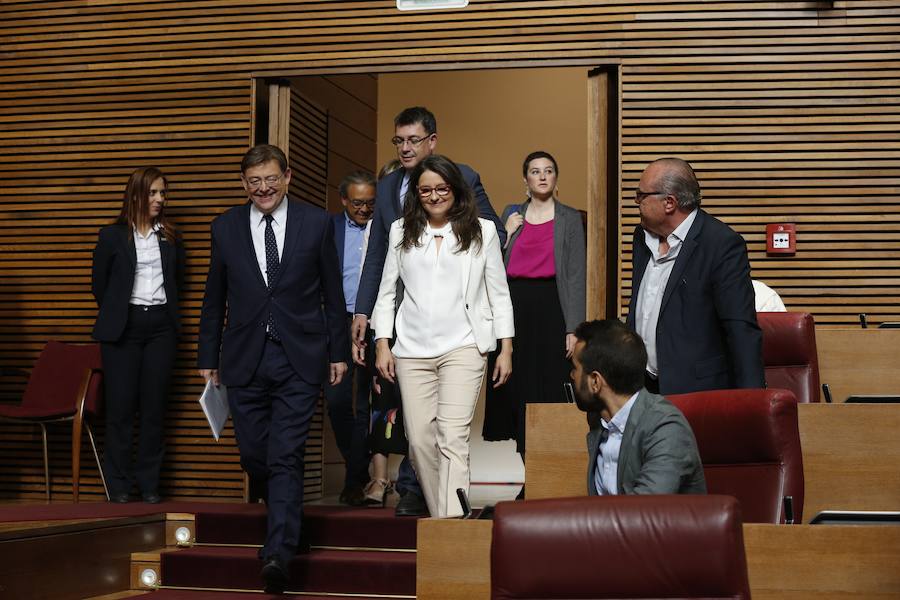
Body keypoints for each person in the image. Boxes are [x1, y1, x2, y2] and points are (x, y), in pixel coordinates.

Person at [197, 144, 348, 594]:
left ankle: (279, 552)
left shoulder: (316, 223)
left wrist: (337, 352)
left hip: (299, 355)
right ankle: (290, 522)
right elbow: (214, 297)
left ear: (287, 176)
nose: (263, 188)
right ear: (244, 184)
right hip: (243, 357)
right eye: (253, 181)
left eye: (270, 178)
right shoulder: (224, 227)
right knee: (254, 454)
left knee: (285, 453)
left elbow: (333, 294)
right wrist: (208, 358)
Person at [351, 106, 505, 517]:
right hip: (408, 332)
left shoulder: (466, 183)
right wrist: (369, 320)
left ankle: (447, 523)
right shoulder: (388, 192)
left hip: (461, 332)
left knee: (452, 435)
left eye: (413, 140)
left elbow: (492, 245)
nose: (405, 148)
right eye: (398, 141)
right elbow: (380, 263)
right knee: (417, 437)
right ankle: (440, 510)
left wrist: (503, 342)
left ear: (432, 141)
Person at [482, 151, 586, 495]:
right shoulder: (512, 216)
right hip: (513, 313)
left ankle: (550, 478)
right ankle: (532, 477)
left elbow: (575, 276)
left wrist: (574, 327)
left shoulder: (570, 218)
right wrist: (506, 234)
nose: (542, 177)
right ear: (525, 180)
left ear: (556, 178)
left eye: (549, 171)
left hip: (553, 310)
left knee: (552, 393)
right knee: (519, 394)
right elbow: (490, 267)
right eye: (535, 172)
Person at [628, 157, 764, 395]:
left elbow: (740, 328)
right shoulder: (641, 237)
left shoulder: (721, 244)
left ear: (669, 202)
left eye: (641, 195)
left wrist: (752, 401)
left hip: (696, 390)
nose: (636, 201)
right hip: (642, 388)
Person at [91, 167, 184, 505]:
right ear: (136, 195)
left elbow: (178, 283)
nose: (160, 199)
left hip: (161, 327)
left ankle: (149, 485)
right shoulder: (112, 235)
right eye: (154, 193)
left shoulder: (170, 236)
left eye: (163, 193)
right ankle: (118, 487)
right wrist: (120, 312)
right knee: (120, 410)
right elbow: (100, 286)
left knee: (154, 409)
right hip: (123, 329)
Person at [570, 319, 706, 496]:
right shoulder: (599, 420)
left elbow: (644, 513)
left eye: (575, 369)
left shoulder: (666, 429)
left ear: (595, 381)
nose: (572, 376)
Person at [326, 171, 377, 506]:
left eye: (370, 203)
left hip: (376, 323)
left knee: (367, 404)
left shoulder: (384, 229)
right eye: (357, 203)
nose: (364, 209)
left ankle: (353, 482)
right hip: (336, 321)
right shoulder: (327, 229)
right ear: (343, 200)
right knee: (337, 402)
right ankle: (359, 467)